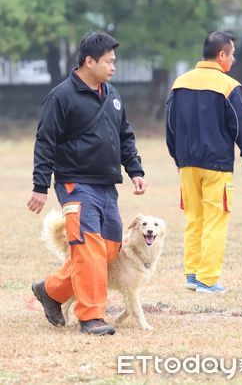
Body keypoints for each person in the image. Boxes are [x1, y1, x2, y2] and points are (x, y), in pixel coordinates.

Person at [27, 30, 147, 335]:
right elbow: (45, 141)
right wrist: (40, 186)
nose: (113, 67)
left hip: (107, 185)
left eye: (114, 61)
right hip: (75, 184)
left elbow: (125, 136)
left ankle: (51, 290)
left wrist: (135, 170)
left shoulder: (113, 96)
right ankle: (91, 316)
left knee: (108, 249)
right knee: (89, 249)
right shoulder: (62, 96)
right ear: (88, 61)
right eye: (108, 61)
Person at [166, 31, 242, 294]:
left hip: (186, 165)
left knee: (194, 219)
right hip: (216, 165)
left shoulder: (179, 83)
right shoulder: (228, 85)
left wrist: (178, 157)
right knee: (215, 221)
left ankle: (193, 274)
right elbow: (240, 126)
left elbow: (170, 126)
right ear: (221, 55)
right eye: (232, 53)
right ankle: (208, 279)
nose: (233, 58)